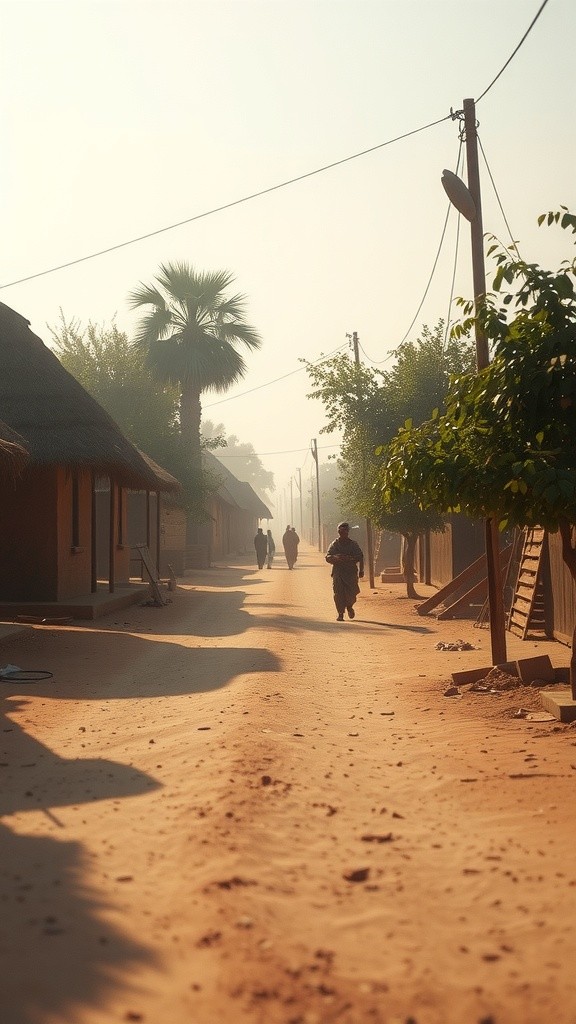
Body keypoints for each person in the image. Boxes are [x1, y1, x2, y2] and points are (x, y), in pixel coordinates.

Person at [325, 522, 364, 621]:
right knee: (338, 593)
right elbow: (328, 557)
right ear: (338, 532)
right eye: (341, 531)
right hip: (338, 572)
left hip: (351, 572)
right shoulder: (334, 544)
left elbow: (360, 556)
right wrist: (336, 557)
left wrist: (360, 569)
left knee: (352, 593)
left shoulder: (353, 544)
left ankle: (349, 607)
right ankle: (340, 613)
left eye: (345, 531)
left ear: (348, 532)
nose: (343, 533)